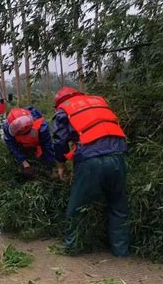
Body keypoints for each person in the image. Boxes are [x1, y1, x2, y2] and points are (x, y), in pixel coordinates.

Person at [52, 87, 129, 257]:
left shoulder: (63, 111)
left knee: (76, 207)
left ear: (58, 103)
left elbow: (59, 141)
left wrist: (61, 165)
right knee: (118, 205)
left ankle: (71, 248)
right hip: (118, 156)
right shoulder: (99, 102)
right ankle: (121, 252)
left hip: (91, 161)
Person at [3, 107, 56, 180]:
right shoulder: (8, 128)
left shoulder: (41, 126)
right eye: (19, 130)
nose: (22, 130)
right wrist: (24, 162)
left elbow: (47, 147)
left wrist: (50, 166)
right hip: (22, 145)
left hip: (37, 143)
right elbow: (12, 146)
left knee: (45, 159)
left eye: (23, 129)